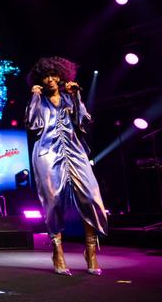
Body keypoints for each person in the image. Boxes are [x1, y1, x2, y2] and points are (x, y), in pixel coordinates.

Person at [25, 56, 108, 276]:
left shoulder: (70, 97)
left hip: (74, 151)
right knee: (53, 200)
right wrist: (34, 98)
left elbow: (83, 121)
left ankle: (90, 251)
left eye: (53, 75)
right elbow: (33, 124)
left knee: (90, 196)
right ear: (40, 80)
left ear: (62, 75)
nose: (50, 80)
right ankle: (57, 250)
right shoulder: (39, 99)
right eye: (45, 76)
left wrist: (77, 95)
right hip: (47, 152)